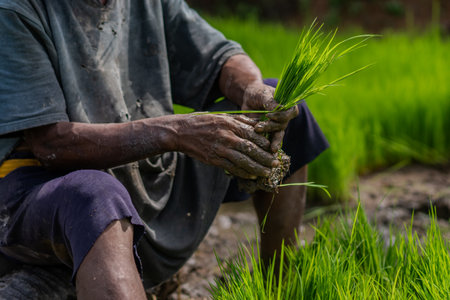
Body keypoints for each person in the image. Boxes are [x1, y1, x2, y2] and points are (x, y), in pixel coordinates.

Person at [0, 0, 328, 298]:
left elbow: (221, 57)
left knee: (276, 112)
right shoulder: (17, 10)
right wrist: (176, 131)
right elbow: (52, 144)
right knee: (95, 195)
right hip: (41, 194)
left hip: (143, 169)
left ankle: (280, 287)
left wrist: (252, 89)